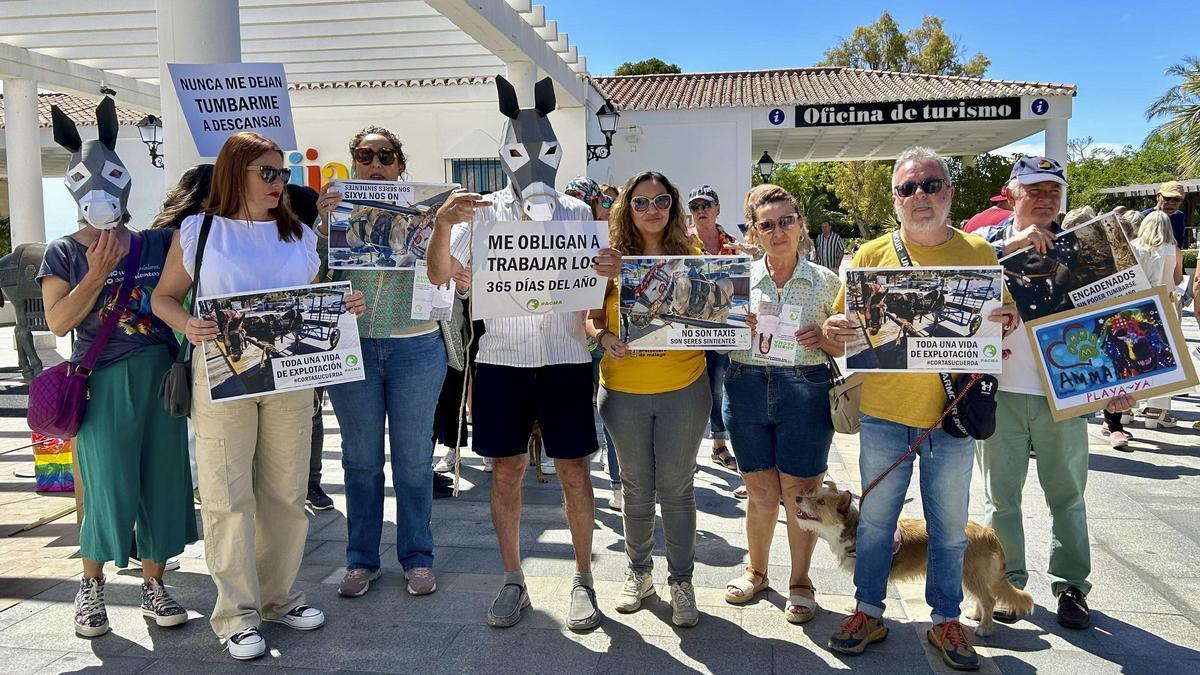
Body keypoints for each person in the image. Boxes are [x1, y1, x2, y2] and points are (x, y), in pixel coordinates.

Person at [152, 131, 365, 661]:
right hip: (223, 376)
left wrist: (344, 306)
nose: (279, 183)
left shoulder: (297, 234)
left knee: (287, 493)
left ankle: (278, 598)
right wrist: (188, 323)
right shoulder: (198, 231)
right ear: (235, 173)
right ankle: (236, 614)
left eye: (283, 174)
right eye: (267, 173)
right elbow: (163, 297)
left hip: (291, 380)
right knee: (227, 496)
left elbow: (315, 299)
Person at [425, 76, 622, 632]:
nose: (534, 161)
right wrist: (442, 224)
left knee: (574, 472)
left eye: (545, 150)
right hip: (501, 363)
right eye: (519, 150)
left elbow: (597, 290)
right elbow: (441, 276)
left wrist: (609, 270)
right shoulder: (481, 213)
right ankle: (513, 578)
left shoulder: (579, 214)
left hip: (564, 360)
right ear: (505, 152)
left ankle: (583, 579)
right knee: (505, 473)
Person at [823, 146, 1018, 671]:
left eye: (930, 184)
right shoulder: (869, 256)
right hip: (886, 414)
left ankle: (945, 619)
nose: (920, 196)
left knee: (949, 526)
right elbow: (840, 330)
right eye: (908, 188)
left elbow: (1005, 320)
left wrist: (1007, 321)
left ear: (949, 192)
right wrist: (832, 331)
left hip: (951, 416)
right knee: (875, 523)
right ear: (895, 199)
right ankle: (867, 610)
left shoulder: (979, 253)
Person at [40, 130, 197, 638]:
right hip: (101, 379)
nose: (100, 191)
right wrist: (96, 273)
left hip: (161, 376)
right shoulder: (62, 252)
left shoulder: (157, 242)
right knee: (107, 484)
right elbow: (60, 323)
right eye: (85, 179)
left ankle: (154, 585)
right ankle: (92, 587)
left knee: (162, 481)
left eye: (110, 176)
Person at [976, 156, 1137, 632]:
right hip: (1001, 389)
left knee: (1067, 496)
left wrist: (1118, 387)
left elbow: (1116, 315)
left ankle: (1071, 586)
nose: (1045, 198)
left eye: (1053, 190)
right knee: (999, 498)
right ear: (1012, 193)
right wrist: (1012, 245)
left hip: (1067, 391)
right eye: (1034, 189)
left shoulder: (1088, 248)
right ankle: (1007, 583)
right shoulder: (986, 241)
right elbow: (956, 274)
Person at [311, 126, 449, 597]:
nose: (375, 163)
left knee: (413, 462)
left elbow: (445, 274)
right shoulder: (334, 215)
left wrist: (441, 227)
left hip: (416, 346)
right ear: (353, 163)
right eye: (364, 155)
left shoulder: (430, 212)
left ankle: (417, 557)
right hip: (354, 346)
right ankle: (361, 560)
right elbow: (311, 280)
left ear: (400, 164)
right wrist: (323, 227)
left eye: (385, 155)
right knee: (361, 462)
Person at [588, 172, 708, 628]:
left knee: (677, 490)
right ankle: (639, 573)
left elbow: (716, 316)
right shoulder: (609, 260)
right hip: (623, 391)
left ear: (673, 205)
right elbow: (590, 317)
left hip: (684, 388)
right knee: (635, 489)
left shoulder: (695, 256)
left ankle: (682, 582)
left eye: (661, 200)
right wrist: (602, 334)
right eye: (641, 202)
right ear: (627, 208)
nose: (652, 208)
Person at [721, 184, 842, 625]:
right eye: (767, 224)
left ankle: (801, 580)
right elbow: (712, 338)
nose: (778, 231)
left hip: (805, 388)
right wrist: (735, 325)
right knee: (760, 493)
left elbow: (848, 347)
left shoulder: (829, 282)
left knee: (800, 495)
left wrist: (826, 338)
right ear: (753, 232)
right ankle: (756, 571)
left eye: (786, 221)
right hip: (746, 385)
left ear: (800, 224)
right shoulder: (736, 281)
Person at [686, 185, 741, 477]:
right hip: (689, 326)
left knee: (718, 386)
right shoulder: (681, 242)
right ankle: (688, 450)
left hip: (720, 326)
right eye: (695, 206)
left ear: (718, 209)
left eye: (706, 205)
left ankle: (719, 444)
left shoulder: (731, 243)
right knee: (690, 389)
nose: (701, 211)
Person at [1131, 211, 1185, 427]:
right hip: (1166, 305)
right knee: (1164, 359)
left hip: (1139, 307)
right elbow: (1178, 279)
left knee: (1133, 356)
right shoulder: (1174, 250)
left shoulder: (1134, 247)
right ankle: (1156, 411)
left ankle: (1126, 409)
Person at [1142, 180, 1188, 249]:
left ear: (1182, 201)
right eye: (1167, 198)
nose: (1171, 203)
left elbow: (1178, 244)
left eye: (1177, 199)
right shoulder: (1144, 216)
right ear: (1158, 197)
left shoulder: (1180, 216)